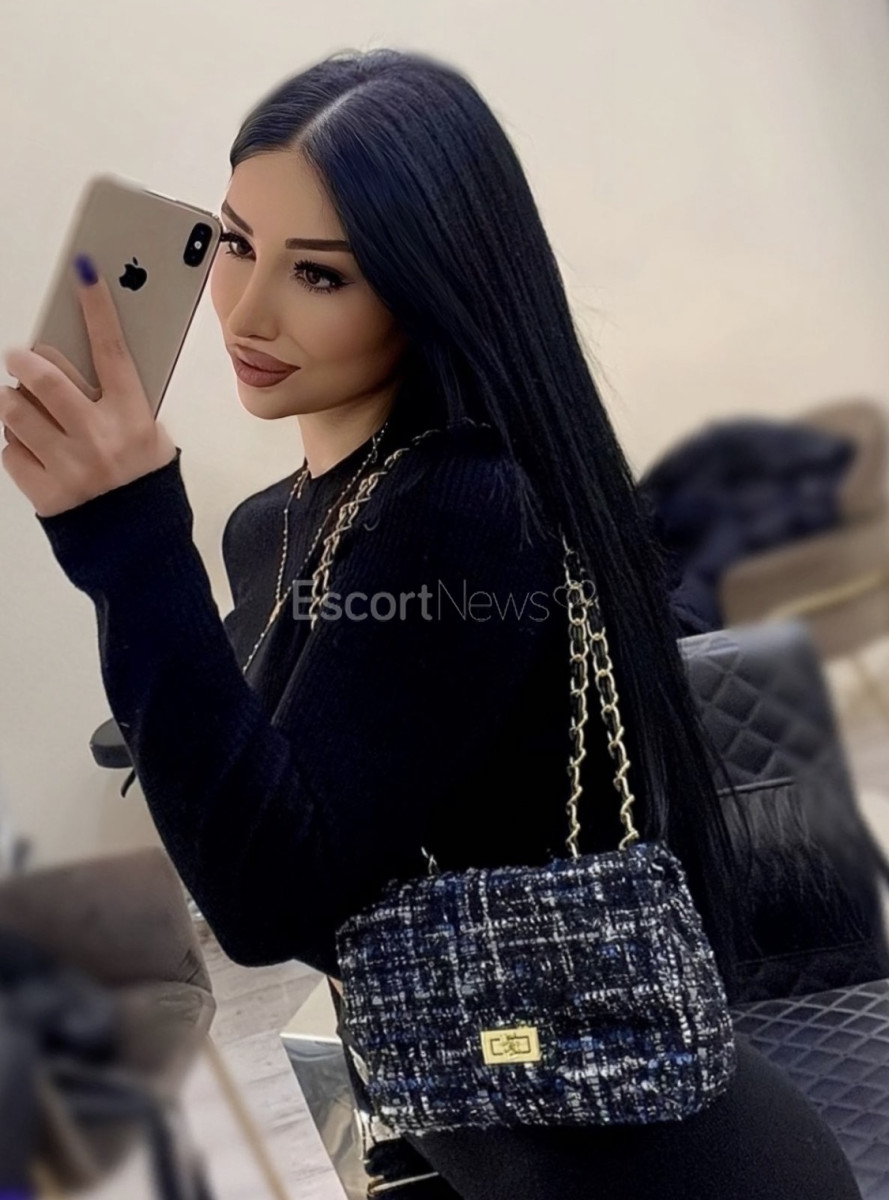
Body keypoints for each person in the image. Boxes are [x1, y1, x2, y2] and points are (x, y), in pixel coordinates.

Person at [0, 47, 861, 1200]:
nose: (245, 312)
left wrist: (129, 542)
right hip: (479, 1121)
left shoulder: (463, 511)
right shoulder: (273, 525)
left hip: (655, 1167)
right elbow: (279, 847)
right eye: (235, 245)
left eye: (319, 274)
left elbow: (261, 902)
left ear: (427, 286)